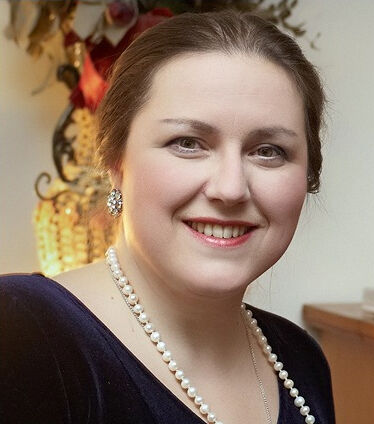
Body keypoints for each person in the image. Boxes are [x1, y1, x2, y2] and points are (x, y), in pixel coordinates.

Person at [0, 9, 335, 424]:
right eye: (188, 143)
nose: (231, 188)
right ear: (115, 162)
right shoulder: (22, 329)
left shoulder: (301, 360)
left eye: (268, 151)